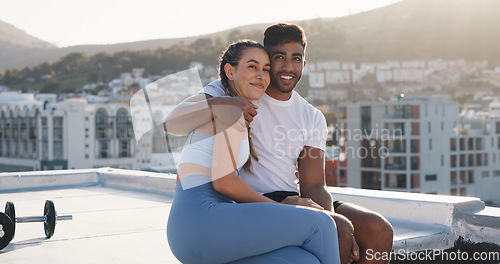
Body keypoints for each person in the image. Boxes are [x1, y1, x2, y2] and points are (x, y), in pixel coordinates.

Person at [166, 23, 393, 264]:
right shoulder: (236, 93)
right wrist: (225, 104)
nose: (288, 66)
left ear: (303, 64)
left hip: (290, 196)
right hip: (252, 200)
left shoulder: (311, 116)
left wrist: (325, 213)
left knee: (378, 229)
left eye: (296, 58)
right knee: (337, 229)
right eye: (278, 58)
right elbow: (174, 124)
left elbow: (314, 183)